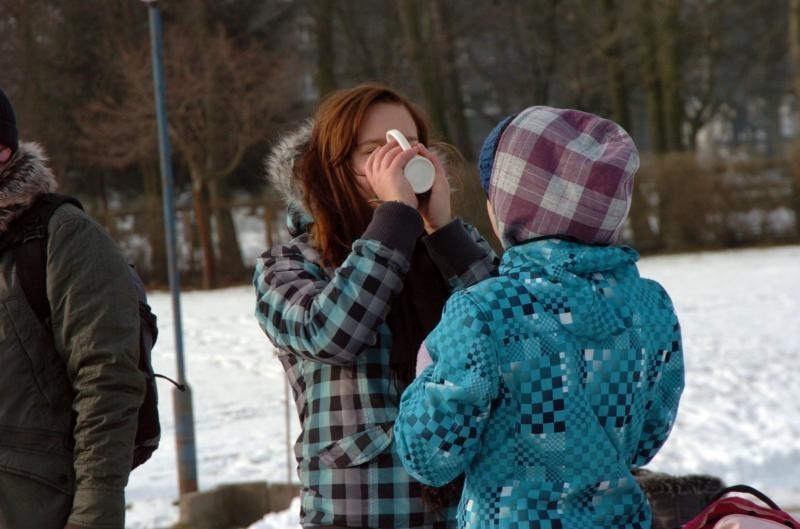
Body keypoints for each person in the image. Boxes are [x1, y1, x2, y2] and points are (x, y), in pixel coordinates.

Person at [395, 106, 685, 529]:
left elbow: (428, 456)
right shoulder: (651, 306)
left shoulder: (484, 311)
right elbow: (645, 441)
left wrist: (431, 373)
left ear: (515, 206)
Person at [253, 83, 498, 528]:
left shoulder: (448, 249)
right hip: (360, 510)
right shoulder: (287, 264)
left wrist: (442, 230)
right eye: (376, 150)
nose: (400, 161)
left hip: (467, 510)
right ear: (333, 169)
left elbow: (514, 333)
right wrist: (396, 219)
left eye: (408, 145)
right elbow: (329, 335)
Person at [0, 87, 145, 529]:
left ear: (3, 151)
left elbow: (108, 378)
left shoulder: (61, 235)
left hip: (36, 503)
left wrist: (95, 513)